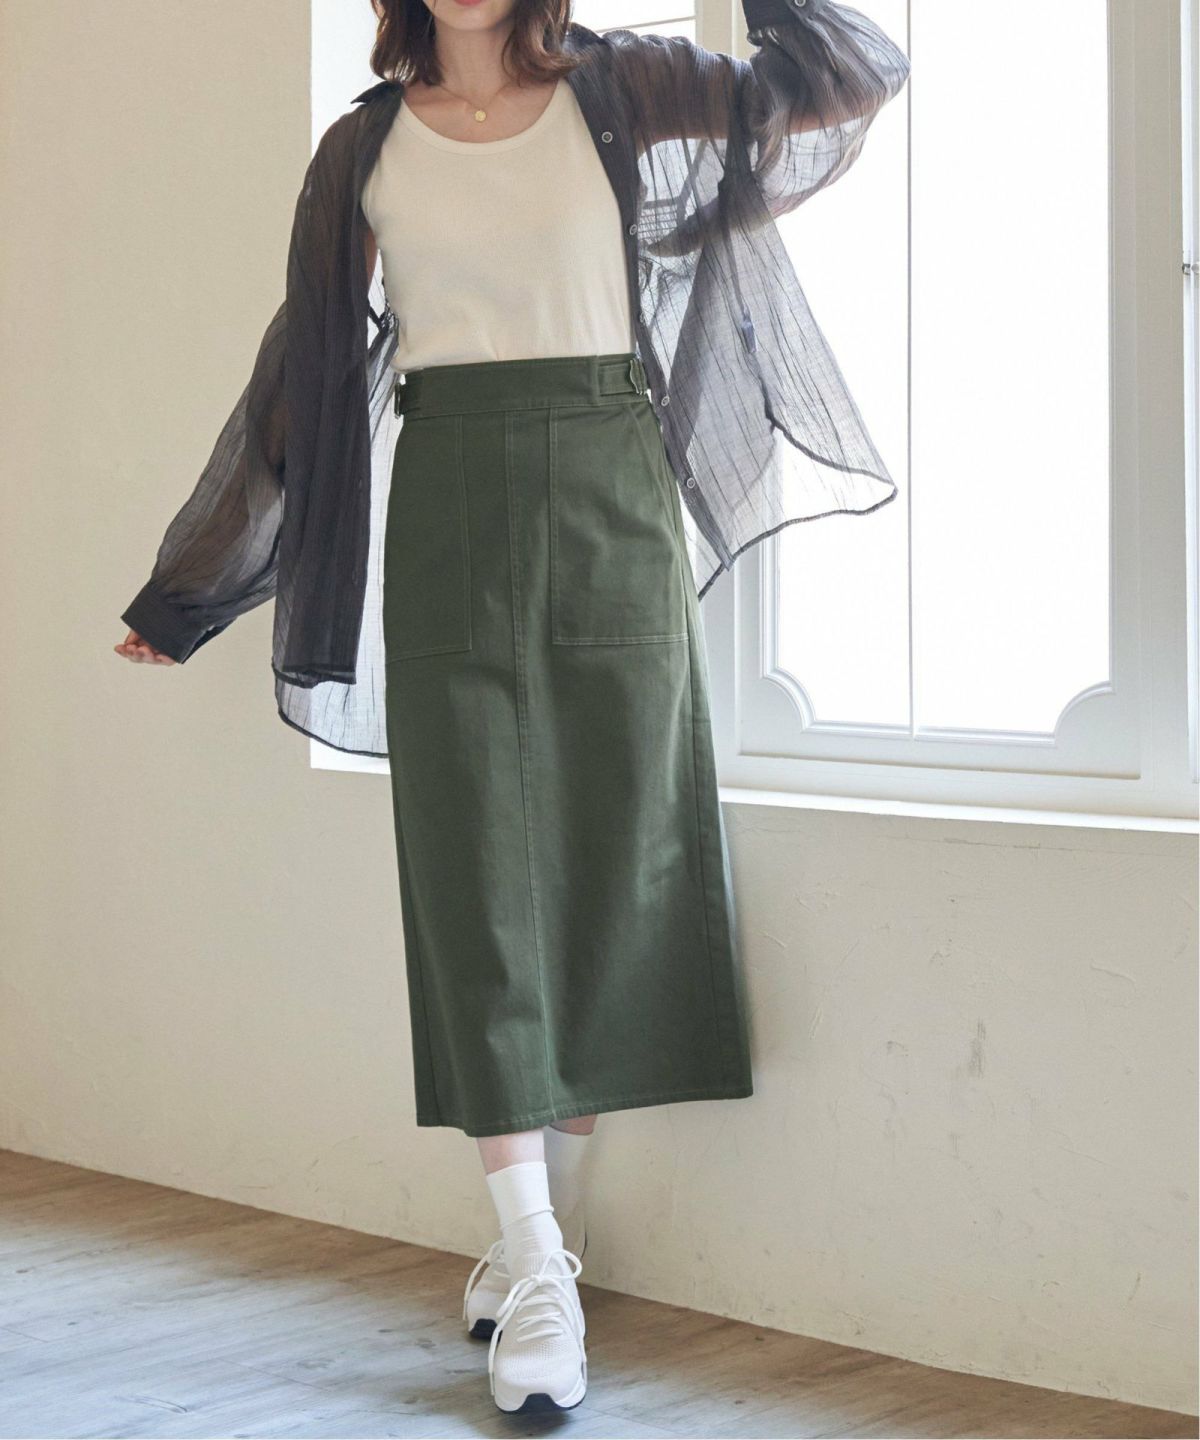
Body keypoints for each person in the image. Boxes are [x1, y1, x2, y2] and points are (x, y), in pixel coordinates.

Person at [116, 0, 909, 1416]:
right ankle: (535, 1257)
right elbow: (303, 370)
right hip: (451, 505)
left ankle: (544, 1245)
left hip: (611, 491)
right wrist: (189, 592)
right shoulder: (360, 152)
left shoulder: (628, 87)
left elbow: (837, 85)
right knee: (473, 877)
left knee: (610, 862)